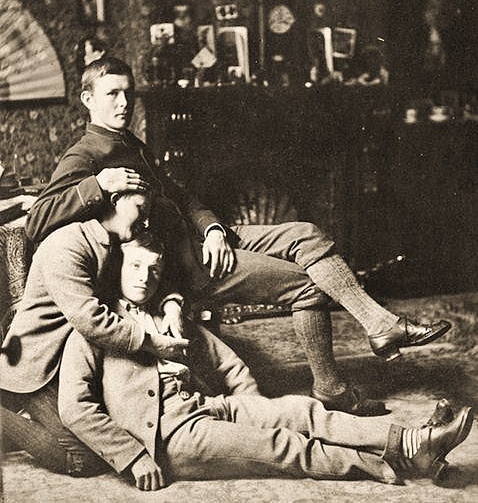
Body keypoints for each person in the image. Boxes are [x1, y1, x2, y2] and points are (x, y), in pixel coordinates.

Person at [24, 56, 452, 416]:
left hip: (205, 241)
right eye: (112, 94)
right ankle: (332, 390)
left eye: (128, 93)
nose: (124, 102)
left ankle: (380, 325)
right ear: (88, 100)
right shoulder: (86, 154)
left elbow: (181, 197)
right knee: (307, 286)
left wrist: (212, 228)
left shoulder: (131, 142)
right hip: (186, 266)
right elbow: (37, 221)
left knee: (306, 233)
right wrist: (99, 185)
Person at [57, 232, 474, 491]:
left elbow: (229, 365)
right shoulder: (96, 329)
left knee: (301, 411)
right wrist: (132, 457)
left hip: (208, 408)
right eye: (134, 266)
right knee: (284, 446)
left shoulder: (170, 316)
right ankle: (402, 455)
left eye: (154, 269)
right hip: (168, 437)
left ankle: (411, 439)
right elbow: (75, 408)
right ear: (117, 267)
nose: (143, 277)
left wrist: (255, 411)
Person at [0, 188, 189, 476]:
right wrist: (150, 342)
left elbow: (149, 278)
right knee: (84, 460)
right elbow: (90, 319)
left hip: (69, 362)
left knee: (108, 441)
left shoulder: (114, 243)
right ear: (114, 202)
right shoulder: (66, 244)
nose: (147, 221)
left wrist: (172, 303)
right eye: (140, 209)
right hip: (36, 369)